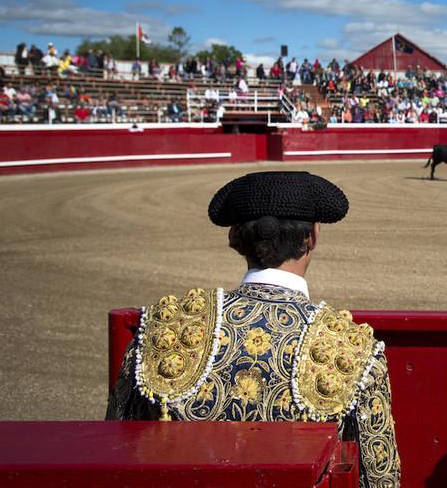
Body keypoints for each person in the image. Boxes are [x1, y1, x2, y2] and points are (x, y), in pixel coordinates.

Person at [107, 171, 400, 487]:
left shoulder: (165, 328)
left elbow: (115, 449)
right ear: (312, 237)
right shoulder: (354, 349)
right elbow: (379, 479)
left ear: (234, 238)